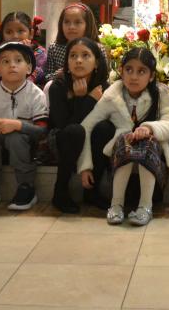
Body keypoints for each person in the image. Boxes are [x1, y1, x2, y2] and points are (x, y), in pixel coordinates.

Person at [78, 48, 169, 226]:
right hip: (121, 156)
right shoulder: (112, 96)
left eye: (141, 71)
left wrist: (149, 128)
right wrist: (85, 166)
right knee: (125, 139)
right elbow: (86, 126)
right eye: (129, 70)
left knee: (147, 142)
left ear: (151, 76)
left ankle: (145, 207)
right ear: (121, 71)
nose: (134, 77)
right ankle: (116, 205)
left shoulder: (161, 93)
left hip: (153, 159)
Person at [0, 41, 48, 212]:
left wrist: (17, 125)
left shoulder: (36, 94)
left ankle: (26, 187)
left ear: (29, 68)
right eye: (5, 61)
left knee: (16, 137)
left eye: (18, 60)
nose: (12, 65)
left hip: (26, 148)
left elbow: (42, 131)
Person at [45, 37, 111, 213]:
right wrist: (85, 100)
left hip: (93, 139)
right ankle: (60, 192)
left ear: (96, 62)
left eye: (85, 56)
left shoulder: (103, 87)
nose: (78, 60)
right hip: (63, 140)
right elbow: (63, 125)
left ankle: (92, 192)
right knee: (74, 131)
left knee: (105, 128)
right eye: (73, 56)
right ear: (66, 62)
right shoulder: (57, 87)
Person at [0, 11, 48, 88]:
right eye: (9, 32)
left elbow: (36, 77)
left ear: (31, 34)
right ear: (3, 34)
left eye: (20, 31)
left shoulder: (39, 53)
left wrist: (27, 53)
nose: (15, 36)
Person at [44, 3, 104, 78]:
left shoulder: (97, 48)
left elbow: (103, 76)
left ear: (87, 25)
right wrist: (58, 75)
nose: (71, 27)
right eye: (67, 22)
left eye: (77, 22)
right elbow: (46, 77)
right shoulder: (55, 48)